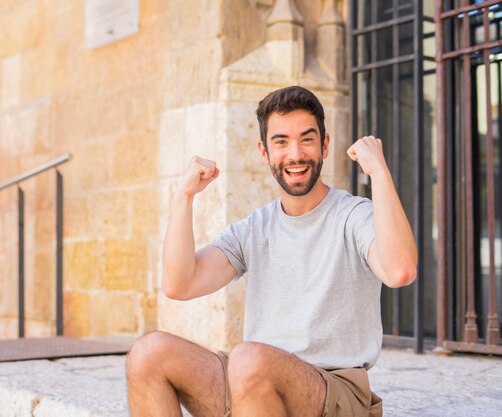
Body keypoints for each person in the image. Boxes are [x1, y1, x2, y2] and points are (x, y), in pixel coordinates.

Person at [125, 86, 417, 417]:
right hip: (255, 384)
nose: (295, 154)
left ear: (324, 145)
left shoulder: (353, 215)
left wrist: (379, 172)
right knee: (148, 353)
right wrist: (184, 196)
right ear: (264, 153)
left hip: (333, 392)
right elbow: (180, 284)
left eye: (307, 139)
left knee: (248, 360)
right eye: (281, 142)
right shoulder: (254, 228)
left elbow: (400, 270)